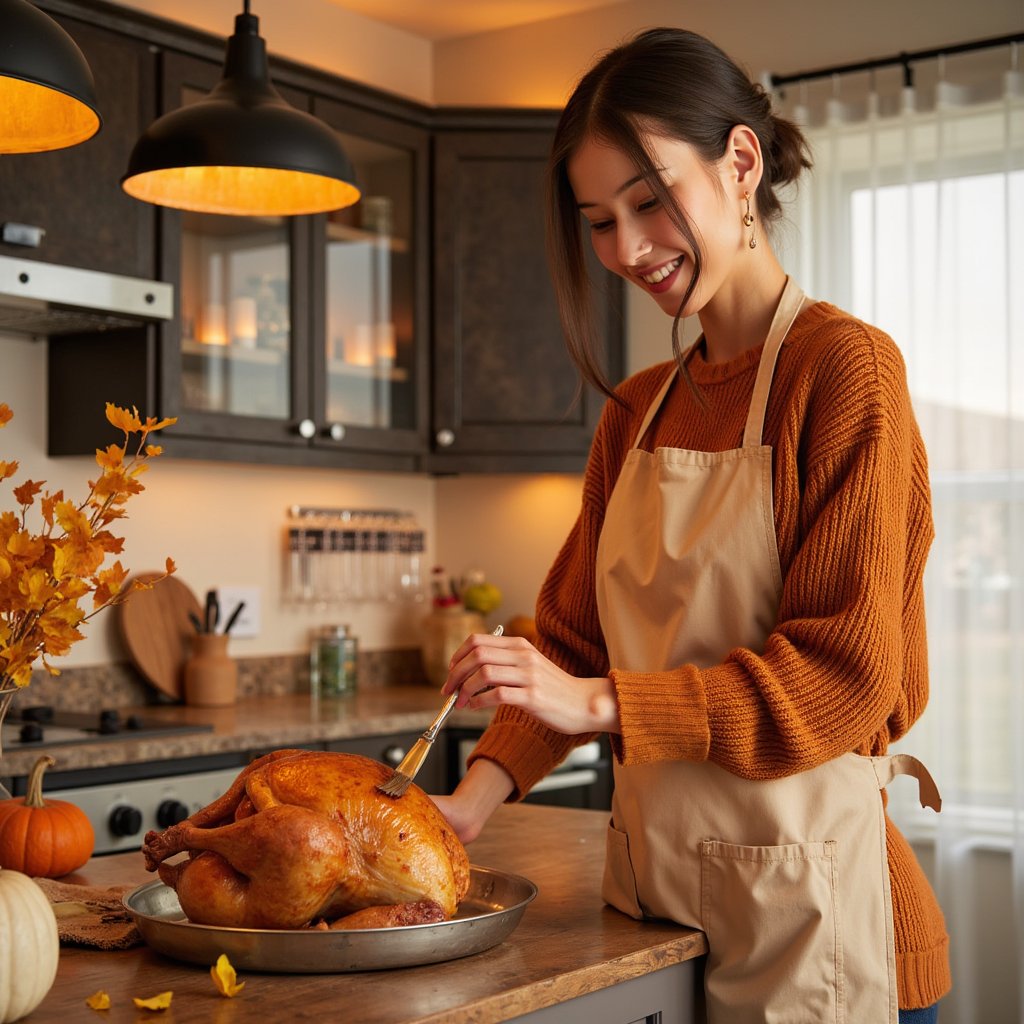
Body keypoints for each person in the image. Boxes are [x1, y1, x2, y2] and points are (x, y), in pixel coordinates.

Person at [431, 27, 951, 1024]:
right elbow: (574, 638)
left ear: (740, 163)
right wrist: (475, 799)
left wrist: (598, 705)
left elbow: (842, 676)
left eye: (649, 200)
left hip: (824, 926)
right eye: (596, 220)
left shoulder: (844, 373)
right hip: (655, 915)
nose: (626, 250)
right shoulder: (635, 409)